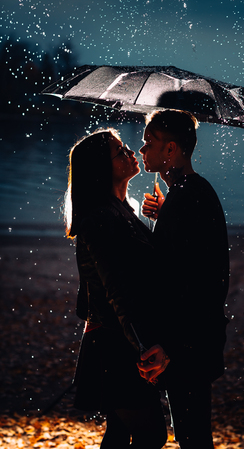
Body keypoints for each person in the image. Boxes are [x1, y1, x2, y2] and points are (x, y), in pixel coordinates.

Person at [64, 128, 167, 449]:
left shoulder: (121, 211)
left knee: (120, 433)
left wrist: (162, 217)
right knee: (151, 435)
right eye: (120, 152)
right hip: (116, 344)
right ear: (102, 168)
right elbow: (117, 290)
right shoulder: (100, 219)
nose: (132, 152)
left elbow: (146, 270)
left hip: (117, 339)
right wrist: (143, 344)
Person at [138, 110, 230, 449]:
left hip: (189, 344)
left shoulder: (187, 196)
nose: (142, 149)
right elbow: (191, 256)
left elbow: (185, 282)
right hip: (197, 339)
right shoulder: (191, 192)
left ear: (171, 150)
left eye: (150, 143)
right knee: (192, 432)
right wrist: (165, 215)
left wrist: (170, 346)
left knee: (192, 436)